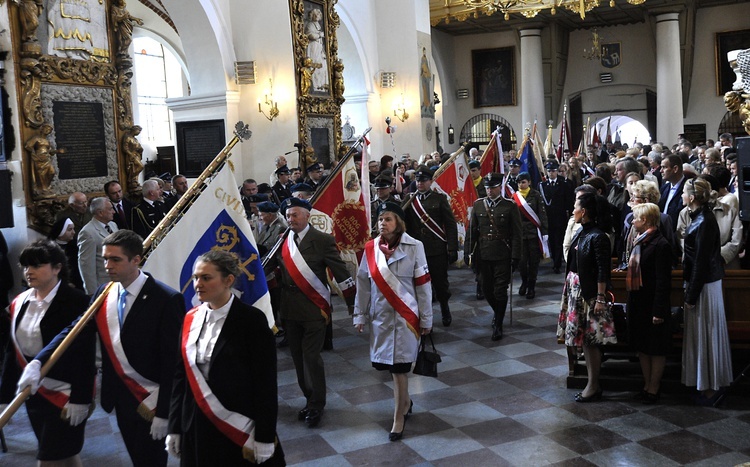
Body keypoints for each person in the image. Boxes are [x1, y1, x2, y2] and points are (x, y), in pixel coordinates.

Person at [18, 230, 186, 466]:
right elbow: (74, 330)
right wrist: (39, 361)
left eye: (115, 259)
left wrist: (166, 412)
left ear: (136, 260)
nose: (107, 265)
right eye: (105, 258)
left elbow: (173, 362)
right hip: (120, 396)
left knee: (151, 461)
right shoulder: (104, 292)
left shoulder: (166, 299)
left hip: (153, 398)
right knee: (137, 458)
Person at [166, 250, 285, 465]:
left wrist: (265, 437)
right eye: (195, 278)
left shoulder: (251, 321)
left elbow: (265, 383)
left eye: (206, 278)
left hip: (236, 425)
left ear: (228, 280)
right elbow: (180, 377)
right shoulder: (190, 318)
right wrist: (174, 426)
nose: (197, 284)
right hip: (195, 424)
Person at [0, 240, 95, 467]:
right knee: (66, 455)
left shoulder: (76, 301)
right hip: (35, 394)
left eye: (36, 265)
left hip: (65, 394)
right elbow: (12, 351)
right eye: (25, 266)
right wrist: (4, 396)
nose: (28, 272)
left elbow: (84, 354)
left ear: (57, 267)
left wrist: (81, 399)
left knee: (48, 458)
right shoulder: (20, 301)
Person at [263, 198, 355, 428]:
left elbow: (340, 272)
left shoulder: (322, 240)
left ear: (307, 216)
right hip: (289, 308)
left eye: (295, 215)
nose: (291, 219)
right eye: (288, 215)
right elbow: (270, 266)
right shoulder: (283, 240)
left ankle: (317, 404)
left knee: (311, 357)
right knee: (297, 357)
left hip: (314, 308)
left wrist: (354, 305)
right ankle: (308, 397)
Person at [354, 202, 432, 441]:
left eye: (388, 219)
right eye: (380, 219)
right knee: (390, 366)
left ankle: (398, 418)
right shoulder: (370, 249)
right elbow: (363, 285)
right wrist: (360, 314)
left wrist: (427, 318)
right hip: (381, 318)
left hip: (406, 319)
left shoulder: (414, 246)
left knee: (399, 369)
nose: (382, 223)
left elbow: (423, 285)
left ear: (399, 222)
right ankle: (406, 402)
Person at [557, 192, 616, 402]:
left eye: (575, 207)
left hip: (589, 294)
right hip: (576, 289)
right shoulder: (582, 231)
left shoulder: (598, 236)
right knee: (585, 341)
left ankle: (593, 384)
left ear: (584, 211)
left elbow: (602, 270)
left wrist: (600, 298)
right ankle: (592, 382)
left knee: (591, 341)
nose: (573, 211)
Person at [680, 178, 733, 405]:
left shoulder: (703, 221)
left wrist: (691, 296)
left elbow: (700, 262)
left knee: (707, 334)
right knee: (702, 334)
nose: (682, 195)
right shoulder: (701, 217)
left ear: (692, 198)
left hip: (704, 285)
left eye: (684, 193)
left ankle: (711, 388)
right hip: (703, 283)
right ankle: (705, 385)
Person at [624, 203, 673, 404]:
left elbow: (663, 281)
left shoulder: (661, 244)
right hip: (638, 302)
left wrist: (659, 310)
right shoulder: (639, 241)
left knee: (656, 348)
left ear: (644, 220)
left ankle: (654, 387)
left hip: (653, 303)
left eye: (635, 218)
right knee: (643, 347)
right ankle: (646, 385)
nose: (632, 221)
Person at [465, 173, 522, 340]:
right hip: (483, 254)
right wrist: (468, 252)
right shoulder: (478, 205)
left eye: (493, 187)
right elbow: (472, 231)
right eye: (487, 187)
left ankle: (498, 323)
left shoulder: (510, 206)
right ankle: (498, 312)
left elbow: (517, 234)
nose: (489, 190)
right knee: (486, 288)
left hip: (502, 254)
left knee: (500, 290)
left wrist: (516, 256)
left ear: (499, 187)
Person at [402, 166, 458, 326]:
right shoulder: (409, 200)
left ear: (431, 181)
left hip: (436, 249)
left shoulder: (439, 199)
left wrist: (452, 247)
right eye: (418, 180)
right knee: (418, 283)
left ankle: (445, 307)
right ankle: (422, 315)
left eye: (424, 180)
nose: (420, 183)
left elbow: (450, 224)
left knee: (440, 282)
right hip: (416, 250)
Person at [515, 172, 548, 299]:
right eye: (519, 182)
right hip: (520, 234)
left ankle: (531, 286)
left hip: (534, 233)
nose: (521, 184)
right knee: (522, 262)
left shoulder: (536, 195)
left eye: (523, 182)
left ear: (529, 182)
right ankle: (524, 282)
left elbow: (542, 214)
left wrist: (545, 231)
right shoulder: (514, 197)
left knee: (533, 262)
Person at [78, 197, 118, 295]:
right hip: (103, 285)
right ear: (100, 212)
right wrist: (92, 292)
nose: (113, 212)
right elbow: (86, 265)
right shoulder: (88, 232)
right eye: (110, 209)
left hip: (117, 282)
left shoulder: (113, 225)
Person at [540, 161, 574, 273]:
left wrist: (569, 214)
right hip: (548, 218)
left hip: (560, 217)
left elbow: (568, 201)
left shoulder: (563, 184)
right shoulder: (542, 185)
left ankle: (557, 263)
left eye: (554, 171)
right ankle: (554, 258)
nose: (551, 173)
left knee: (559, 240)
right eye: (549, 171)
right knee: (551, 241)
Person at [47, 217, 84, 290]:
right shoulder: (49, 248)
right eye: (70, 229)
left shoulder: (76, 246)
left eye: (73, 229)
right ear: (61, 232)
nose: (73, 232)